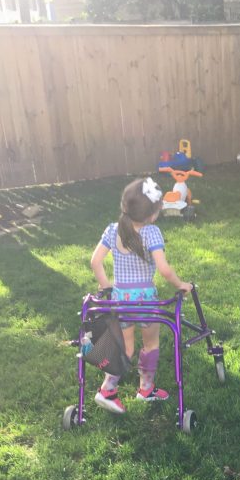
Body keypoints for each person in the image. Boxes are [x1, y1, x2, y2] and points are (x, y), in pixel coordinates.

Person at [90, 176, 193, 414]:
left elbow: (95, 262)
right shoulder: (151, 233)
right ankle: (146, 390)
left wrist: (107, 288)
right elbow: (165, 270)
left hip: (120, 298)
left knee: (126, 347)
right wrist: (181, 284)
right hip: (145, 299)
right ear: (154, 214)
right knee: (150, 343)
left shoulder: (113, 229)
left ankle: (108, 390)